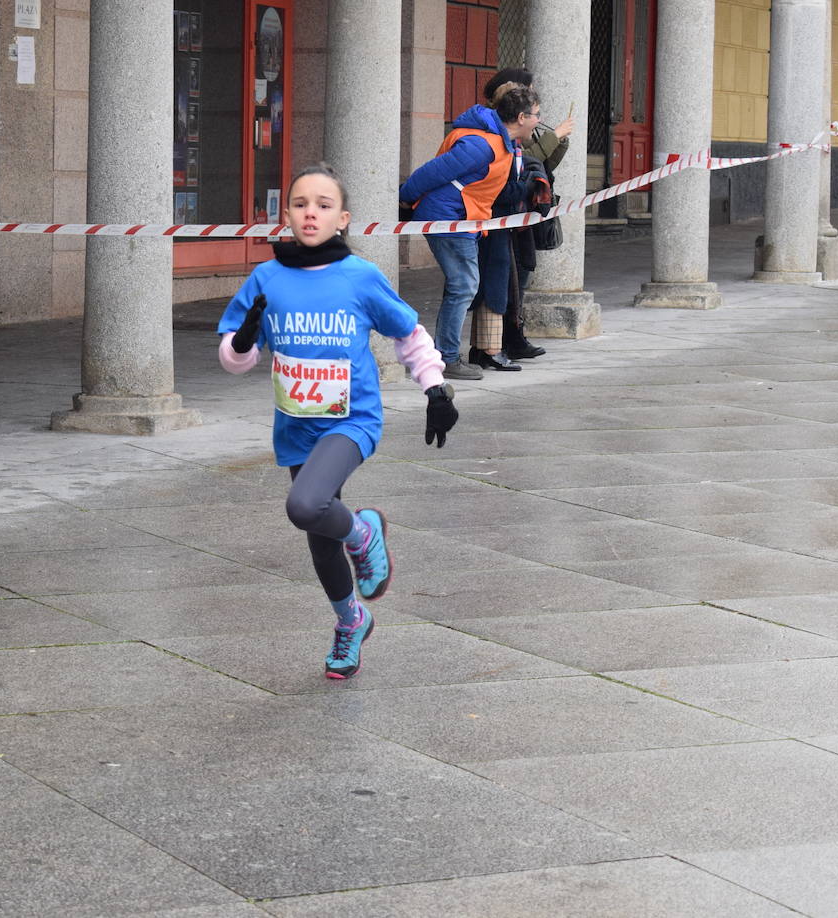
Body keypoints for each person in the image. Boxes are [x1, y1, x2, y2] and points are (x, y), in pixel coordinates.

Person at [217, 162, 458, 680]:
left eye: (323, 206)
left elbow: (409, 333)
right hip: (296, 425)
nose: (311, 214)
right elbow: (236, 359)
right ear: (286, 214)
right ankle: (352, 621)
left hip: (352, 421)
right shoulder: (267, 277)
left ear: (342, 218)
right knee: (316, 529)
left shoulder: (359, 277)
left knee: (305, 505)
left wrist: (435, 388)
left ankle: (365, 533)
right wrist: (239, 343)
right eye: (301, 204)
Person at [399, 86, 543, 373]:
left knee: (462, 285)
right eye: (537, 115)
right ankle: (446, 358)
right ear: (522, 117)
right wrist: (404, 201)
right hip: (449, 219)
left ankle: (444, 355)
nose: (540, 120)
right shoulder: (482, 146)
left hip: (461, 218)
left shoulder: (502, 144)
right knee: (463, 286)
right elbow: (430, 173)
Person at [482, 69, 575, 360]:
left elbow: (544, 162)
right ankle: (500, 342)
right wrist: (555, 135)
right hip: (506, 212)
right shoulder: (498, 126)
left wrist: (560, 140)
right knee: (503, 279)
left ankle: (515, 335)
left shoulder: (526, 125)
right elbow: (528, 158)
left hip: (525, 210)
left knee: (522, 271)